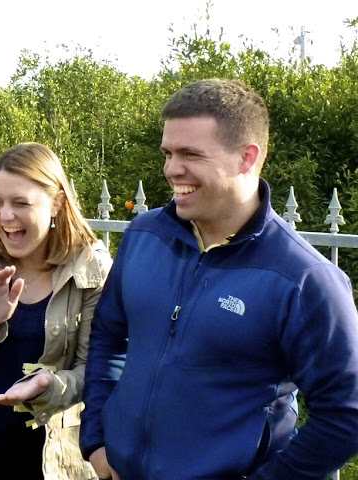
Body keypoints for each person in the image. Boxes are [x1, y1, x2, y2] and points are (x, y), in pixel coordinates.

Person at [80, 78, 358, 480]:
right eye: (168, 153)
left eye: (190, 154)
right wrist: (97, 441)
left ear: (246, 158)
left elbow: (346, 413)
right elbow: (109, 336)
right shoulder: (144, 236)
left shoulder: (303, 278)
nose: (171, 169)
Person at [0, 142, 112, 480]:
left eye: (20, 203)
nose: (5, 216)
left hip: (54, 470)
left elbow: (98, 372)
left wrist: (49, 384)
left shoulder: (91, 268)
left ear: (56, 203)